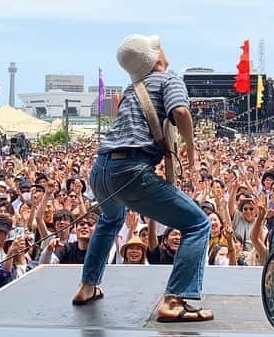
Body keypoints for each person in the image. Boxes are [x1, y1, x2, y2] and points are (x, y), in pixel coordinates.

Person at [74, 34, 213, 323]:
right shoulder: (169, 79)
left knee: (110, 220)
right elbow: (181, 112)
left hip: (101, 169)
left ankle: (88, 286)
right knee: (198, 224)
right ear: (155, 57)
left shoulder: (132, 88)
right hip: (131, 170)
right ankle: (175, 301)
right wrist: (190, 148)